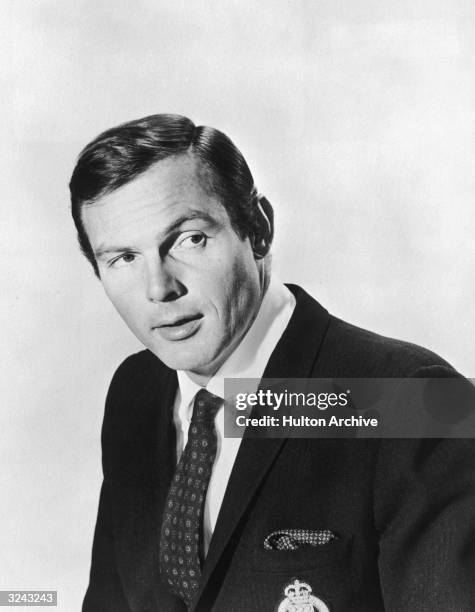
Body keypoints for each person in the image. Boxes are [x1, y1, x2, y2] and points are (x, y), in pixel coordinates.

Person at [69, 114, 475, 612]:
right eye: (123, 258)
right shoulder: (137, 390)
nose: (160, 289)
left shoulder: (414, 402)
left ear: (258, 229)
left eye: (188, 239)